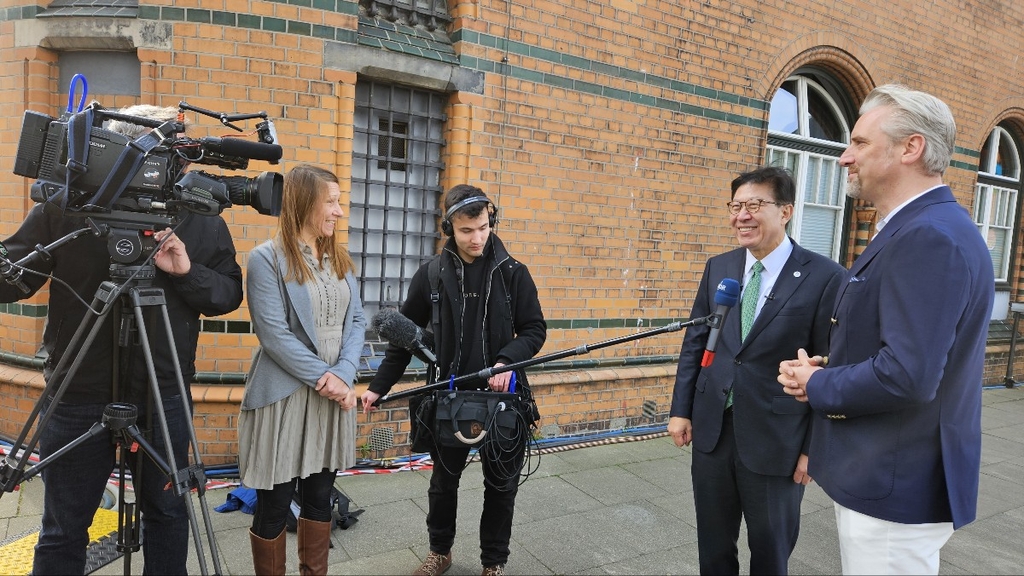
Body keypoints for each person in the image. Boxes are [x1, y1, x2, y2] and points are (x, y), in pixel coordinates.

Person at [0, 105, 243, 574]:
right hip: (77, 391)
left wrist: (187, 271)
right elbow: (14, 279)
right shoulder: (66, 204)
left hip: (163, 390)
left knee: (169, 515)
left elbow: (227, 293)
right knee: (64, 527)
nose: (179, 167)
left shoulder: (200, 215)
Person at [778, 84, 995, 575]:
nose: (843, 157)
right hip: (891, 471)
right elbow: (907, 346)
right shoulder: (923, 227)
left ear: (910, 148)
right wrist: (831, 366)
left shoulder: (928, 236)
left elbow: (908, 374)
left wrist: (818, 384)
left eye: (859, 142)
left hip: (894, 479)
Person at [361, 184, 546, 576]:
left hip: (504, 401)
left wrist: (505, 361)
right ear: (449, 228)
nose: (477, 238)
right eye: (466, 231)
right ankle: (439, 552)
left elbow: (534, 329)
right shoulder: (430, 275)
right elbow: (403, 336)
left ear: (490, 221)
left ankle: (493, 563)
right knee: (443, 485)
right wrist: (379, 386)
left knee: (501, 487)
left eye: (482, 227)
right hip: (448, 400)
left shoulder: (514, 273)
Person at [668, 166, 845, 574]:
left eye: (753, 205)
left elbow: (831, 366)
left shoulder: (826, 277)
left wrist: (813, 449)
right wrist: (681, 409)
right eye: (735, 206)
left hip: (778, 440)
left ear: (785, 211)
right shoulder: (720, 267)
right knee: (713, 548)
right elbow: (697, 341)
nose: (741, 216)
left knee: (770, 552)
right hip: (712, 429)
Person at [239, 164, 366, 575]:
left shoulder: (338, 259)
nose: (338, 212)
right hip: (285, 397)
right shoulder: (266, 259)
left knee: (320, 497)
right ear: (303, 202)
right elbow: (273, 335)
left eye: (339, 202)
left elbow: (357, 323)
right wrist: (326, 379)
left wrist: (344, 373)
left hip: (332, 393)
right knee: (275, 506)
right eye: (331, 202)